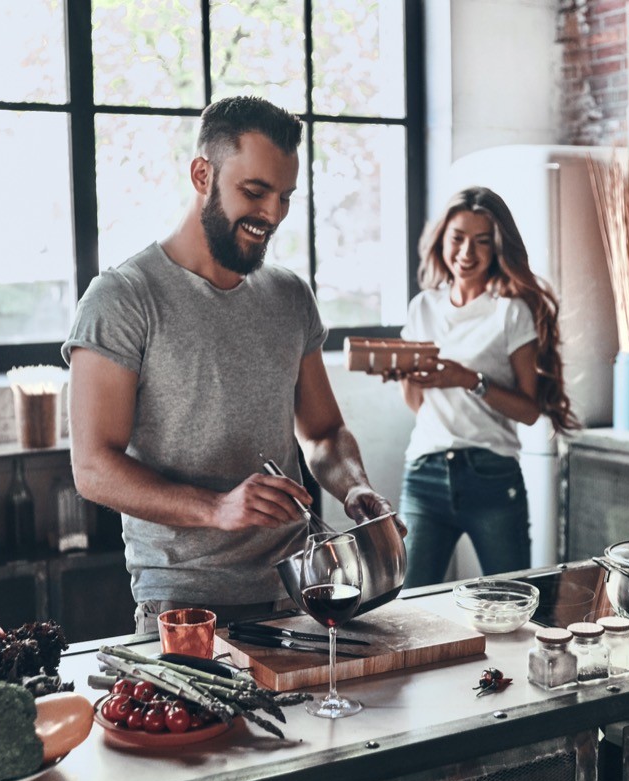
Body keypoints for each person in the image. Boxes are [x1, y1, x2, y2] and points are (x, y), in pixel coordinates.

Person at [62, 96, 397, 634]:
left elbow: (325, 433)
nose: (272, 214)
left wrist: (354, 487)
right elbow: (93, 468)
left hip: (299, 594)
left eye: (284, 197)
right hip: (183, 608)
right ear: (202, 174)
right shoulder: (123, 297)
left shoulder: (289, 295)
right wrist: (217, 508)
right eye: (255, 191)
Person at [395, 186, 580, 588]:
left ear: (497, 249)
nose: (467, 253)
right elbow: (418, 405)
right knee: (407, 607)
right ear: (441, 239)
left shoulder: (511, 311)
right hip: (425, 473)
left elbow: (530, 411)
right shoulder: (422, 307)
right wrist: (406, 375)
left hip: (493, 477)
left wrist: (467, 380)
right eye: (458, 239)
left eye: (482, 242)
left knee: (512, 601)